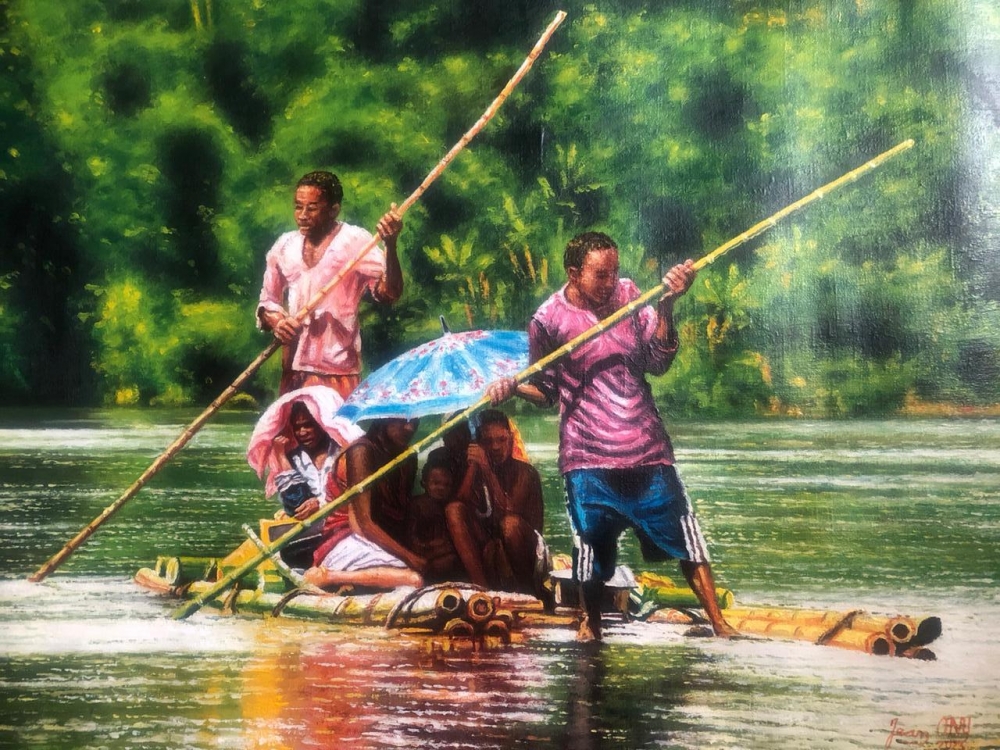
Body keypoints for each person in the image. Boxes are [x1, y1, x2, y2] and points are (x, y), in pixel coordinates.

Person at [487, 231, 738, 641]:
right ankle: (590, 622)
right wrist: (514, 387)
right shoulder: (547, 320)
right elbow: (547, 391)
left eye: (614, 273)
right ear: (574, 273)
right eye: (600, 276)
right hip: (587, 458)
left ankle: (719, 623)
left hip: (646, 449)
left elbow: (658, 362)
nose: (611, 283)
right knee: (590, 550)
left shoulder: (631, 297)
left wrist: (668, 304)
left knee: (687, 539)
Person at [257, 170, 404, 397]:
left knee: (336, 432)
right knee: (292, 432)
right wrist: (278, 322)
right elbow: (268, 303)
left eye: (312, 208)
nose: (302, 215)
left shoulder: (355, 241)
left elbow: (389, 293)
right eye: (298, 207)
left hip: (338, 370)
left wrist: (391, 245)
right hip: (294, 368)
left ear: (333, 210)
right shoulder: (284, 245)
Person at [245, 386, 363, 568]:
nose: (303, 432)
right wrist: (281, 457)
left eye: (309, 425)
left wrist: (320, 504)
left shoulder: (344, 454)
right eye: (298, 427)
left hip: (345, 524)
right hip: (311, 529)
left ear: (322, 423)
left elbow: (355, 499)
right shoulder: (294, 459)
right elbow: (296, 505)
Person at [304, 418, 424, 590]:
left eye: (415, 421)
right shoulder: (361, 451)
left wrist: (414, 551)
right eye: (403, 421)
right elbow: (362, 524)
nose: (410, 427)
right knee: (413, 580)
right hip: (348, 538)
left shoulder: (408, 457)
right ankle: (328, 576)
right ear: (384, 419)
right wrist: (409, 557)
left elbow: (401, 513)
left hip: (378, 538)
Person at [445, 409, 546, 594]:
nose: (496, 447)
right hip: (490, 547)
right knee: (454, 509)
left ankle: (528, 592)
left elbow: (508, 510)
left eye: (501, 440)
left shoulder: (526, 472)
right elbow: (460, 503)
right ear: (480, 443)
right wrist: (474, 467)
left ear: (511, 438)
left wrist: (487, 470)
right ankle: (482, 589)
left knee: (509, 525)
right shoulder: (477, 468)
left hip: (526, 551)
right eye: (488, 441)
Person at [406, 448, 463, 582]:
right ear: (423, 483)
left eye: (446, 485)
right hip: (423, 558)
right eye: (436, 483)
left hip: (443, 556)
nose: (441, 488)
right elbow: (412, 541)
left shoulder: (449, 507)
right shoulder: (417, 505)